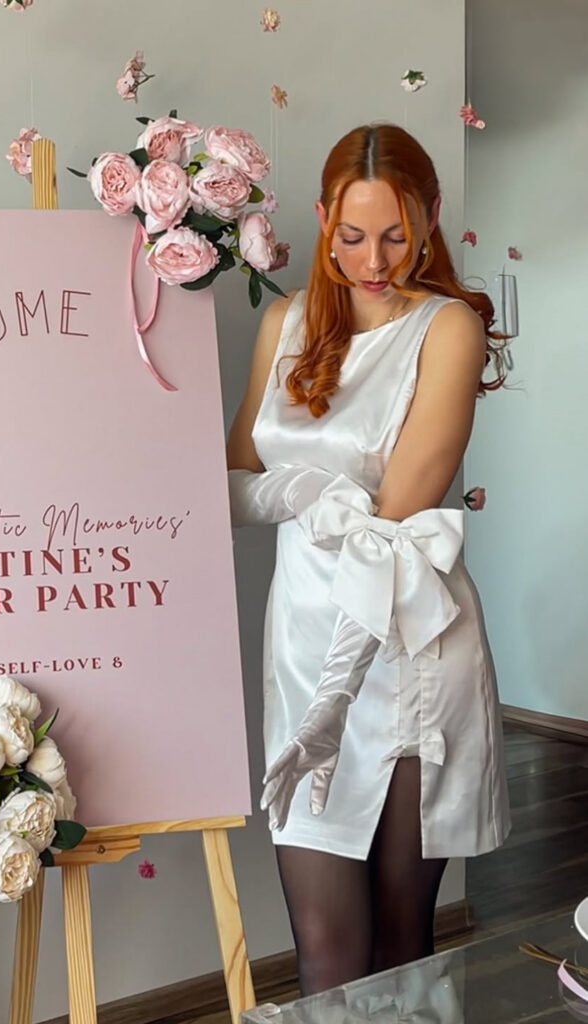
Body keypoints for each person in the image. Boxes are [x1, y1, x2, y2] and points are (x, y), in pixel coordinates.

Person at [227, 123, 511, 997]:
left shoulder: (448, 328)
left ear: (427, 221)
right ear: (321, 220)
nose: (373, 257)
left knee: (397, 955)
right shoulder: (284, 321)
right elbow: (234, 481)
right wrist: (304, 494)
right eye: (351, 236)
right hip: (300, 643)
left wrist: (338, 698)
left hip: (406, 655)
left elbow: (391, 529)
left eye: (396, 234)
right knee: (323, 957)